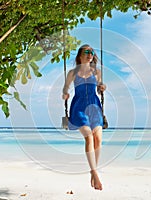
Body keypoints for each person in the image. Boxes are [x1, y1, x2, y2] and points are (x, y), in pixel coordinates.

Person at [62, 44, 106, 190]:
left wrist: (102, 88)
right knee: (89, 136)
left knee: (98, 139)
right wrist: (65, 94)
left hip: (94, 106)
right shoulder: (72, 73)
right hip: (79, 107)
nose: (90, 54)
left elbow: (100, 88)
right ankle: (94, 173)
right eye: (87, 51)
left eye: (92, 52)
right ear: (80, 55)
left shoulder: (97, 72)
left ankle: (93, 171)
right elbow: (66, 88)